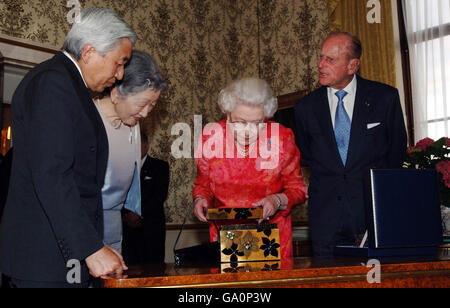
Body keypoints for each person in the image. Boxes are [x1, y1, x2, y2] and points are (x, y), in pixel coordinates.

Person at [0, 8, 137, 288]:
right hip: (44, 260)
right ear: (88, 52)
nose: (120, 74)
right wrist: (90, 248)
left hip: (57, 257)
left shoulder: (68, 85)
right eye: (119, 62)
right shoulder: (54, 83)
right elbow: (52, 175)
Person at [294, 32, 407, 256]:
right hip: (325, 218)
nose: (320, 64)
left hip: (372, 214)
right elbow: (307, 153)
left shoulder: (385, 98)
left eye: (330, 59)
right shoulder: (305, 107)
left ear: (352, 65)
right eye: (321, 57)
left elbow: (396, 152)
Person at [193, 77, 308, 258]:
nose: (248, 131)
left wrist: (277, 200)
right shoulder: (211, 138)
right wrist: (200, 199)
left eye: (257, 123)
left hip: (272, 238)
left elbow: (298, 190)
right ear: (227, 114)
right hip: (225, 235)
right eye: (239, 122)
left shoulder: (282, 138)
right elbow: (203, 185)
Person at [94, 50, 166, 254]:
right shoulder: (88, 120)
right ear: (116, 93)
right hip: (85, 227)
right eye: (142, 103)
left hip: (115, 230)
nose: (145, 113)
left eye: (151, 106)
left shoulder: (132, 127)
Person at [122, 131, 170, 265]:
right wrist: (126, 215)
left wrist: (138, 213)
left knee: (154, 271)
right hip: (127, 230)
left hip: (151, 229)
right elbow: (117, 194)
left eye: (137, 144)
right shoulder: (122, 167)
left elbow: (159, 196)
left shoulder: (160, 166)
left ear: (146, 145)